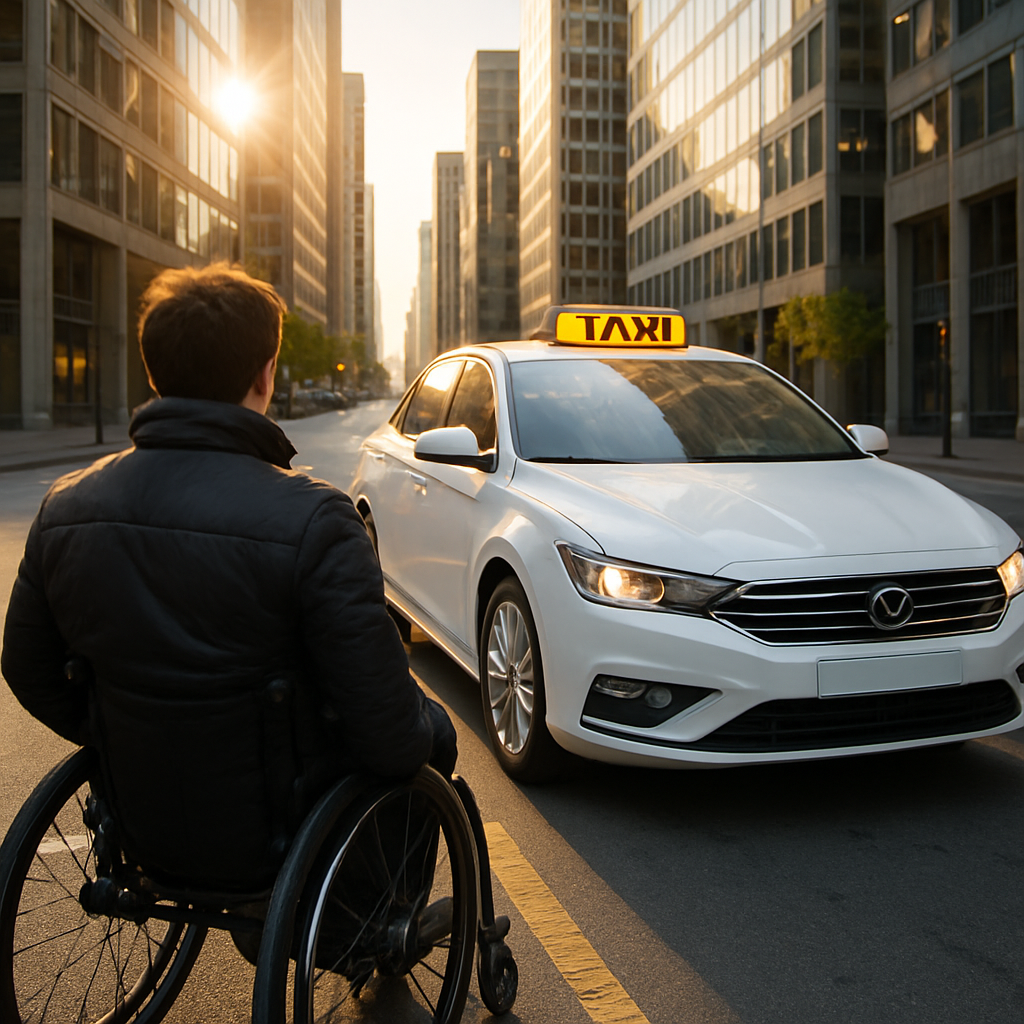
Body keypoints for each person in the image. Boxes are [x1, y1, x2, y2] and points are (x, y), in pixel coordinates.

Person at [1, 263, 457, 891]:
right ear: (265, 375)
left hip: (141, 809)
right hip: (279, 826)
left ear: (154, 372)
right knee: (432, 733)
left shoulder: (64, 507)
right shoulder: (317, 519)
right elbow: (388, 732)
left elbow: (27, 667)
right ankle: (384, 916)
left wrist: (119, 735)